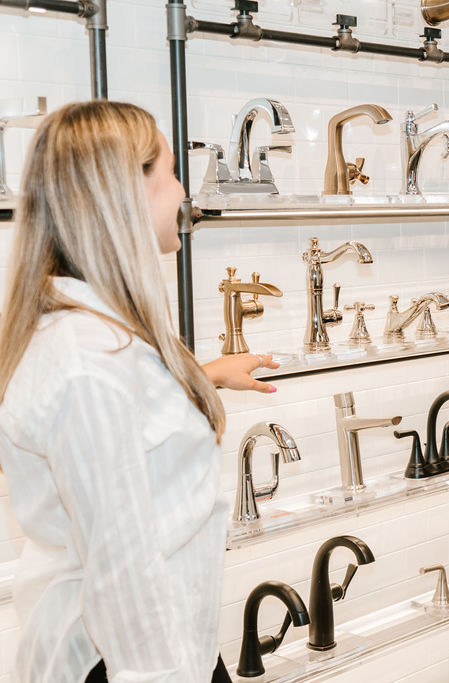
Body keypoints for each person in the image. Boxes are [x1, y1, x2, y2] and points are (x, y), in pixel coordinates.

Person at [0, 101, 278, 682]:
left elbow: (125, 434)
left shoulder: (97, 335)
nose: (181, 192)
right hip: (128, 659)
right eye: (170, 172)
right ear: (126, 191)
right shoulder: (86, 361)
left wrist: (199, 376)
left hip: (171, 643)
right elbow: (121, 573)